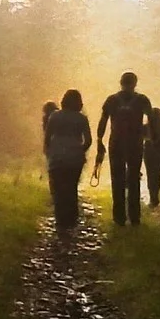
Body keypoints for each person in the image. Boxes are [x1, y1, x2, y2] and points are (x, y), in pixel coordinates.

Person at [96, 71, 153, 226]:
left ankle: (119, 217)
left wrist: (99, 140)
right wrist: (150, 136)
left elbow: (103, 121)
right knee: (134, 179)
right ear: (135, 83)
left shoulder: (112, 100)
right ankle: (134, 217)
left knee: (117, 180)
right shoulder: (142, 100)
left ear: (120, 82)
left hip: (116, 143)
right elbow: (152, 119)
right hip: (135, 144)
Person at [42, 89, 91, 230]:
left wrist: (50, 152)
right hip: (75, 159)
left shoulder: (54, 117)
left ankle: (60, 219)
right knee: (71, 187)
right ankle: (71, 219)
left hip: (57, 158)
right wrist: (80, 151)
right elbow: (88, 140)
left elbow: (47, 138)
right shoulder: (81, 118)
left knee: (58, 189)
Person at [144, 106, 160, 209]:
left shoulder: (145, 127)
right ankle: (155, 197)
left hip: (149, 152)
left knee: (150, 174)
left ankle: (153, 197)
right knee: (157, 175)